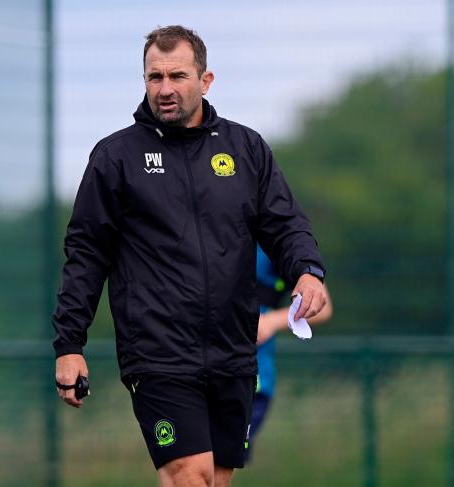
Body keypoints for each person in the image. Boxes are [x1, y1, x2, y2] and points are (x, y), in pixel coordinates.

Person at [52, 25, 328, 487]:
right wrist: (69, 345)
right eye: (154, 77)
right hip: (158, 352)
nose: (165, 89)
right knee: (189, 476)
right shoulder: (116, 158)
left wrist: (308, 271)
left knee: (216, 480)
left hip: (233, 349)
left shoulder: (245, 149)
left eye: (177, 76)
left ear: (206, 79)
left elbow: (284, 224)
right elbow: (85, 254)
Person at [245, 246, 333, 464]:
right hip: (191, 370)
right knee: (185, 465)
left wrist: (271, 321)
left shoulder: (275, 238)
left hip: (251, 380)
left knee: (216, 469)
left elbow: (323, 306)